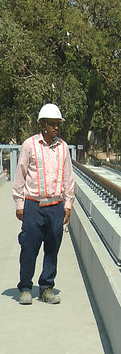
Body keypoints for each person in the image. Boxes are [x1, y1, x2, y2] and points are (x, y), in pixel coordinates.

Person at [12, 103, 76, 305]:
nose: (56, 128)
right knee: (29, 248)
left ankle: (46, 287)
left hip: (56, 207)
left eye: (58, 124)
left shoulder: (63, 148)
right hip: (33, 206)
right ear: (43, 124)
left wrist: (68, 204)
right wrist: (19, 204)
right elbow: (20, 175)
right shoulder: (30, 145)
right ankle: (25, 287)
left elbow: (68, 178)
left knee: (52, 248)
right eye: (52, 124)